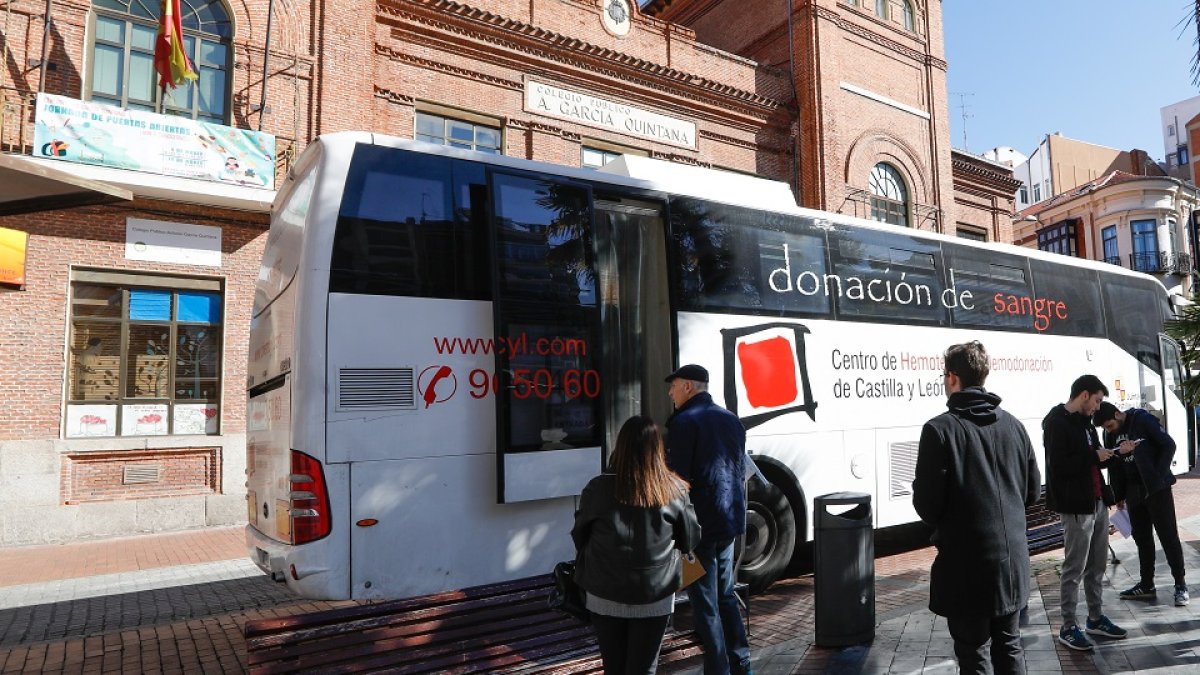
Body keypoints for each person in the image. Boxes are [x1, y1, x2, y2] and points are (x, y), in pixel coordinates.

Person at [912, 341, 1041, 674]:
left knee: (973, 654)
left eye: (944, 375)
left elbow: (927, 506)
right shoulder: (1014, 425)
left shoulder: (939, 430)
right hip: (1012, 564)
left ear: (953, 377)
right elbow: (1031, 493)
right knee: (1009, 647)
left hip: (966, 567)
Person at [572, 415, 702, 675]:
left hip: (603, 589)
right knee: (644, 668)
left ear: (619, 447)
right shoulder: (674, 490)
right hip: (655, 592)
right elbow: (691, 539)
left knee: (613, 667)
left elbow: (579, 535)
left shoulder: (597, 488)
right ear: (657, 449)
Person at [664, 364, 752, 675]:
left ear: (688, 386)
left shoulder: (684, 422)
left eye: (673, 387)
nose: (670, 394)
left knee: (705, 602)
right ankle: (741, 662)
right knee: (726, 594)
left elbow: (678, 480)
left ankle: (718, 669)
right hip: (727, 520)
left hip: (695, 528)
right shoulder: (730, 419)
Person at [1043, 375, 1126, 651]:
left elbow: (1090, 462)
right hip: (1076, 507)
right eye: (1097, 400)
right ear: (1084, 395)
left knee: (1097, 566)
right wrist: (1094, 457)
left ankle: (1095, 618)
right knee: (1074, 568)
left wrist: (1110, 456)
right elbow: (1059, 467)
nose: (1097, 407)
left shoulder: (1087, 426)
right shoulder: (1056, 423)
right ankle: (1068, 626)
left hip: (1097, 503)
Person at [1093, 402, 1189, 606]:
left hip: (1156, 489)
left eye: (1109, 425)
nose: (1108, 430)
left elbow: (1168, 445)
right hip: (1132, 491)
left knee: (1168, 536)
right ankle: (1146, 583)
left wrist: (1157, 477)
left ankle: (1180, 584)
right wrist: (1119, 494)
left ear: (1118, 414)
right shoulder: (1109, 434)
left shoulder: (1142, 420)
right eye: (1105, 428)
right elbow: (1115, 464)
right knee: (1142, 539)